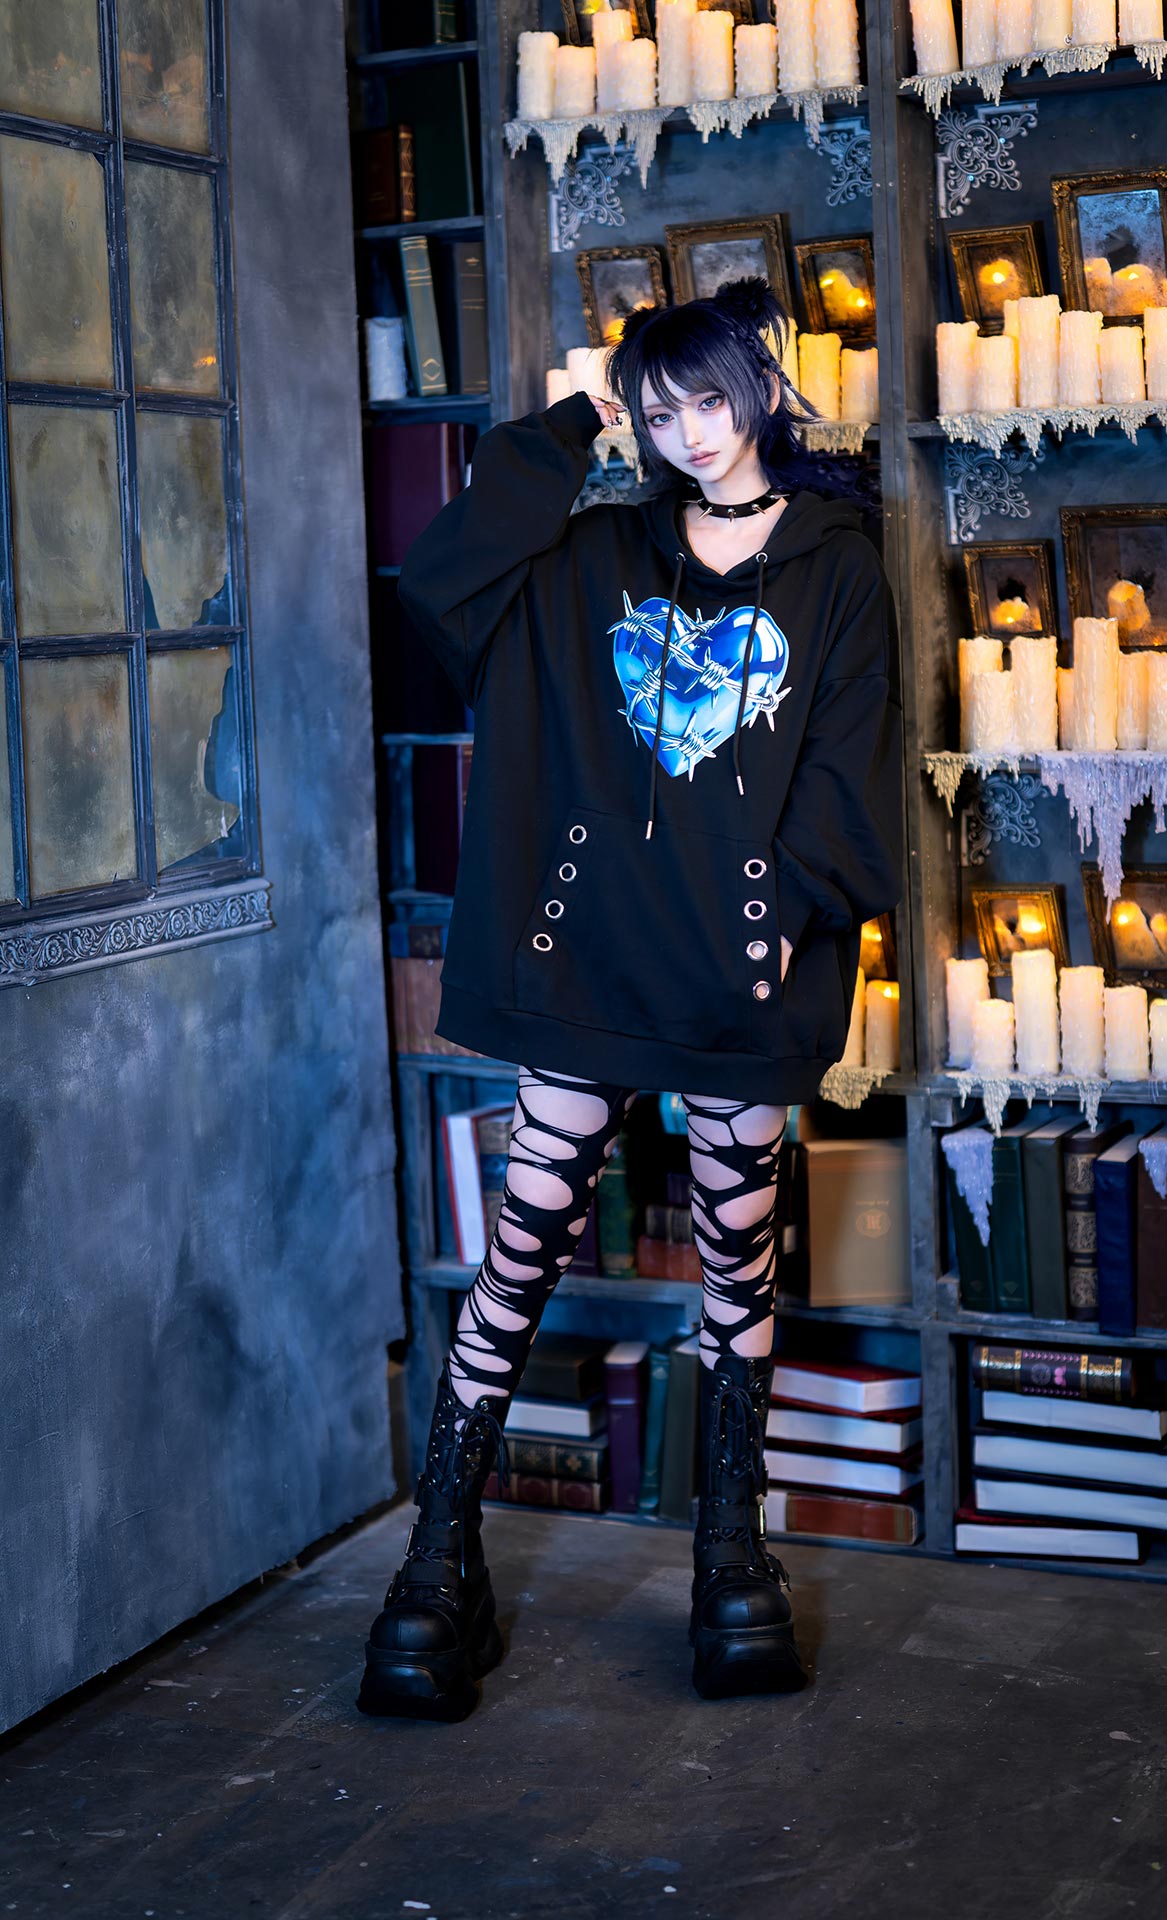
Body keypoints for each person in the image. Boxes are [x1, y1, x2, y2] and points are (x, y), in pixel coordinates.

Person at [357, 277, 903, 1723]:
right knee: (517, 1255)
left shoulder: (841, 565)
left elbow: (850, 762)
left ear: (762, 388)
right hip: (593, 961)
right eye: (660, 414)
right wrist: (564, 433)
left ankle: (733, 1569)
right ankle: (433, 1571)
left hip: (739, 971)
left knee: (737, 1270)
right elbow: (442, 583)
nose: (691, 434)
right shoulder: (597, 551)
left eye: (709, 399)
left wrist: (782, 915)